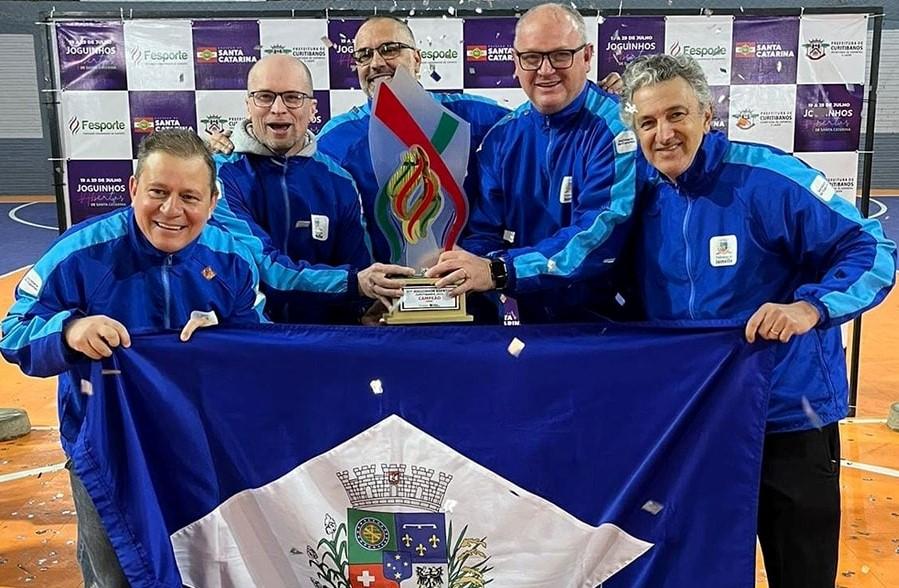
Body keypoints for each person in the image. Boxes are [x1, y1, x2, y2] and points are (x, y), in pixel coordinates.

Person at [619, 54, 896, 588]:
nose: (664, 133)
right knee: (701, 573)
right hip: (696, 424)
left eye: (677, 114)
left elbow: (871, 249)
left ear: (707, 113)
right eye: (648, 122)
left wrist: (809, 307)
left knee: (802, 573)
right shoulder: (636, 195)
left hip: (789, 417)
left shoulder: (766, 179)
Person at [0, 129, 268, 587]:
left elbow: (261, 349)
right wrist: (69, 330)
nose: (171, 210)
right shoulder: (82, 251)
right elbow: (13, 332)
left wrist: (227, 338)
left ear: (213, 199)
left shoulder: (232, 261)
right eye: (158, 192)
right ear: (133, 189)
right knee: (117, 575)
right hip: (104, 447)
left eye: (189, 196)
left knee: (201, 567)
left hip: (200, 447)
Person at [426, 3, 638, 323]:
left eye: (560, 55)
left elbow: (598, 237)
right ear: (516, 62)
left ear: (586, 56)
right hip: (520, 327)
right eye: (532, 57)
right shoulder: (502, 137)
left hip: (601, 328)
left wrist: (500, 270)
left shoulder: (618, 130)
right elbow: (482, 234)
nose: (545, 70)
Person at [212, 54, 411, 322]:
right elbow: (265, 270)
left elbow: (359, 266)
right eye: (265, 97)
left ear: (312, 108)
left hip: (325, 345)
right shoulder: (218, 176)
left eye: (293, 97)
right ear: (248, 105)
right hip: (250, 343)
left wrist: (367, 307)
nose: (278, 108)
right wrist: (355, 283)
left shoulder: (339, 180)